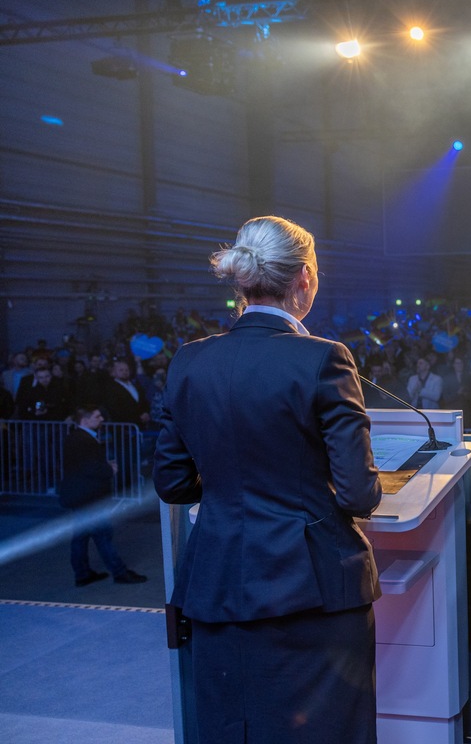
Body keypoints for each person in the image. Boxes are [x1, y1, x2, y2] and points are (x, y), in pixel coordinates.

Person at [154, 216, 383, 743]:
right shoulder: (324, 358)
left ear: (241, 279)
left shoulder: (188, 361)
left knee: (234, 730)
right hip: (312, 591)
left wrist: (236, 483)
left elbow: (173, 482)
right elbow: (357, 494)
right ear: (304, 278)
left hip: (218, 585)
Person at [60, 406, 148, 586]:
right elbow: (89, 467)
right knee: (102, 535)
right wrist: (109, 469)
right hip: (89, 498)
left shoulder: (76, 438)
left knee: (81, 537)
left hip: (80, 496)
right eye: (97, 416)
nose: (101, 419)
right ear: (84, 420)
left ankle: (82, 574)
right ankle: (119, 572)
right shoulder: (84, 441)